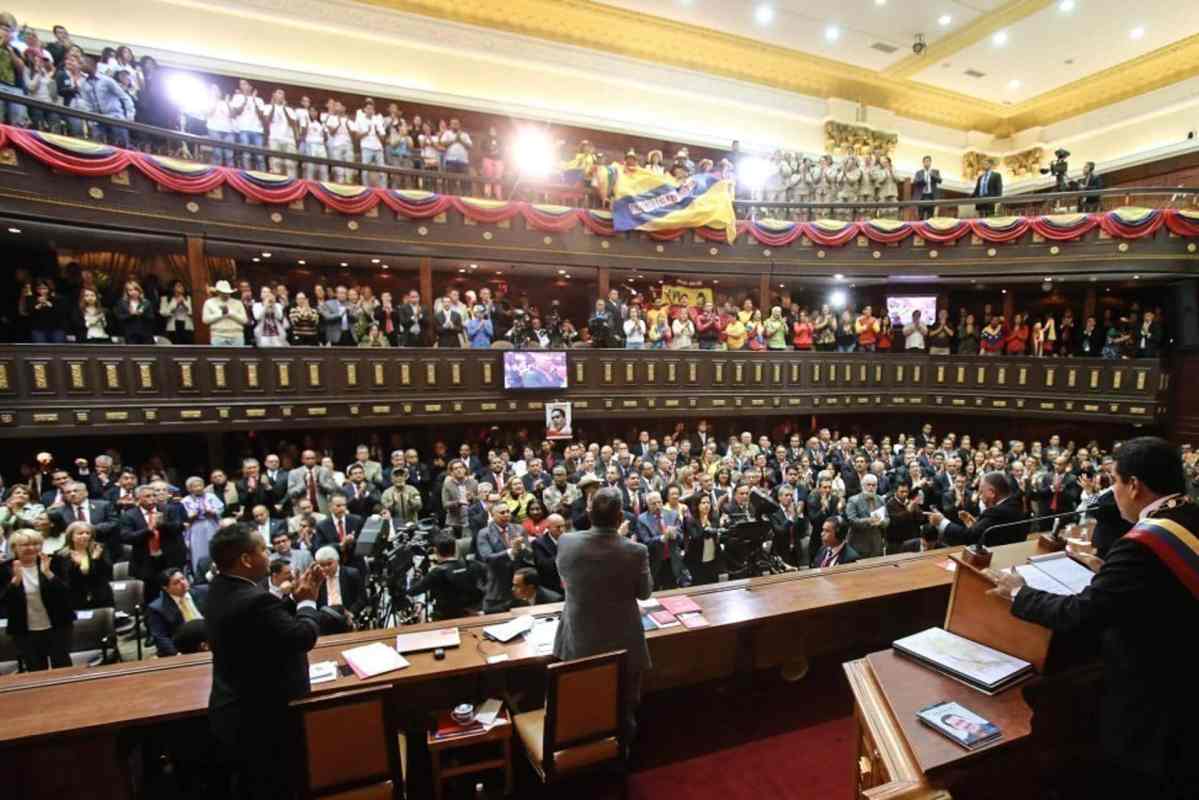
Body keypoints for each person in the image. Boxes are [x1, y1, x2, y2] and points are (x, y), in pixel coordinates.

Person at [988, 437, 1199, 800]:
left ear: (1134, 485)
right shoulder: (1190, 516)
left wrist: (1020, 593)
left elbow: (1083, 614)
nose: (1112, 491)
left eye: (1114, 481)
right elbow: (1163, 588)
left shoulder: (1141, 545)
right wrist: (1109, 574)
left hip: (1158, 703)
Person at [206, 524, 323, 800]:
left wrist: (293, 598)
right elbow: (301, 637)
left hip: (232, 707)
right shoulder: (254, 600)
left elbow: (264, 625)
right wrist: (307, 602)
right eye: (262, 549)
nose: (268, 554)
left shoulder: (220, 588)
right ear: (246, 559)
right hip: (263, 718)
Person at [553, 487, 653, 748]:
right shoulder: (636, 551)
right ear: (620, 517)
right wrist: (622, 540)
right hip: (623, 641)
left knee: (582, 701)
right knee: (623, 705)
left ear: (589, 514)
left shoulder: (566, 541)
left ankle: (583, 750)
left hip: (579, 640)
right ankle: (623, 752)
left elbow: (567, 577)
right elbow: (644, 593)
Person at [0, 529, 75, 670]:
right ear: (14, 548)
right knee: (35, 668)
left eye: (36, 544)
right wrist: (14, 582)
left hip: (58, 624)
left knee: (62, 664)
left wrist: (48, 574)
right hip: (24, 629)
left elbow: (66, 593)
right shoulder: (4, 569)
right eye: (25, 545)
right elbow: (3, 601)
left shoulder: (55, 562)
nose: (31, 548)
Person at [928, 471, 1027, 546]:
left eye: (981, 492)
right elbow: (994, 534)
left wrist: (942, 522)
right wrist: (975, 525)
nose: (980, 496)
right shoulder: (1015, 504)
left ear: (992, 493)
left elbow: (968, 537)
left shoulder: (995, 512)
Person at [476, 502, 531, 613]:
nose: (506, 515)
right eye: (502, 513)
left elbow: (529, 554)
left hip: (519, 585)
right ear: (493, 515)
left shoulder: (519, 529)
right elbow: (487, 558)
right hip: (497, 586)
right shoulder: (484, 533)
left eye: (508, 512)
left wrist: (522, 548)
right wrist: (511, 551)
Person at [146, 567, 208, 656]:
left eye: (183, 578)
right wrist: (177, 655)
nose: (183, 583)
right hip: (183, 649)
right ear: (165, 588)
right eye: (176, 583)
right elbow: (160, 637)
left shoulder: (203, 592)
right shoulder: (157, 608)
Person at [203, 281, 249, 347]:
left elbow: (244, 320)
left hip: (237, 337)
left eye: (227, 293)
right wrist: (221, 313)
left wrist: (229, 313)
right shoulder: (209, 303)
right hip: (218, 337)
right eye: (223, 293)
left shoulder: (238, 303)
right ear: (218, 292)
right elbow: (205, 320)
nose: (226, 294)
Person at [911, 156, 941, 220]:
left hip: (931, 196)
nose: (927, 163)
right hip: (922, 196)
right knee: (920, 216)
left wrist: (932, 175)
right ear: (923, 163)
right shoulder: (919, 172)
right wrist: (923, 180)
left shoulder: (935, 171)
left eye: (928, 161)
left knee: (930, 217)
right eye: (925, 161)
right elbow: (915, 182)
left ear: (930, 162)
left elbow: (940, 180)